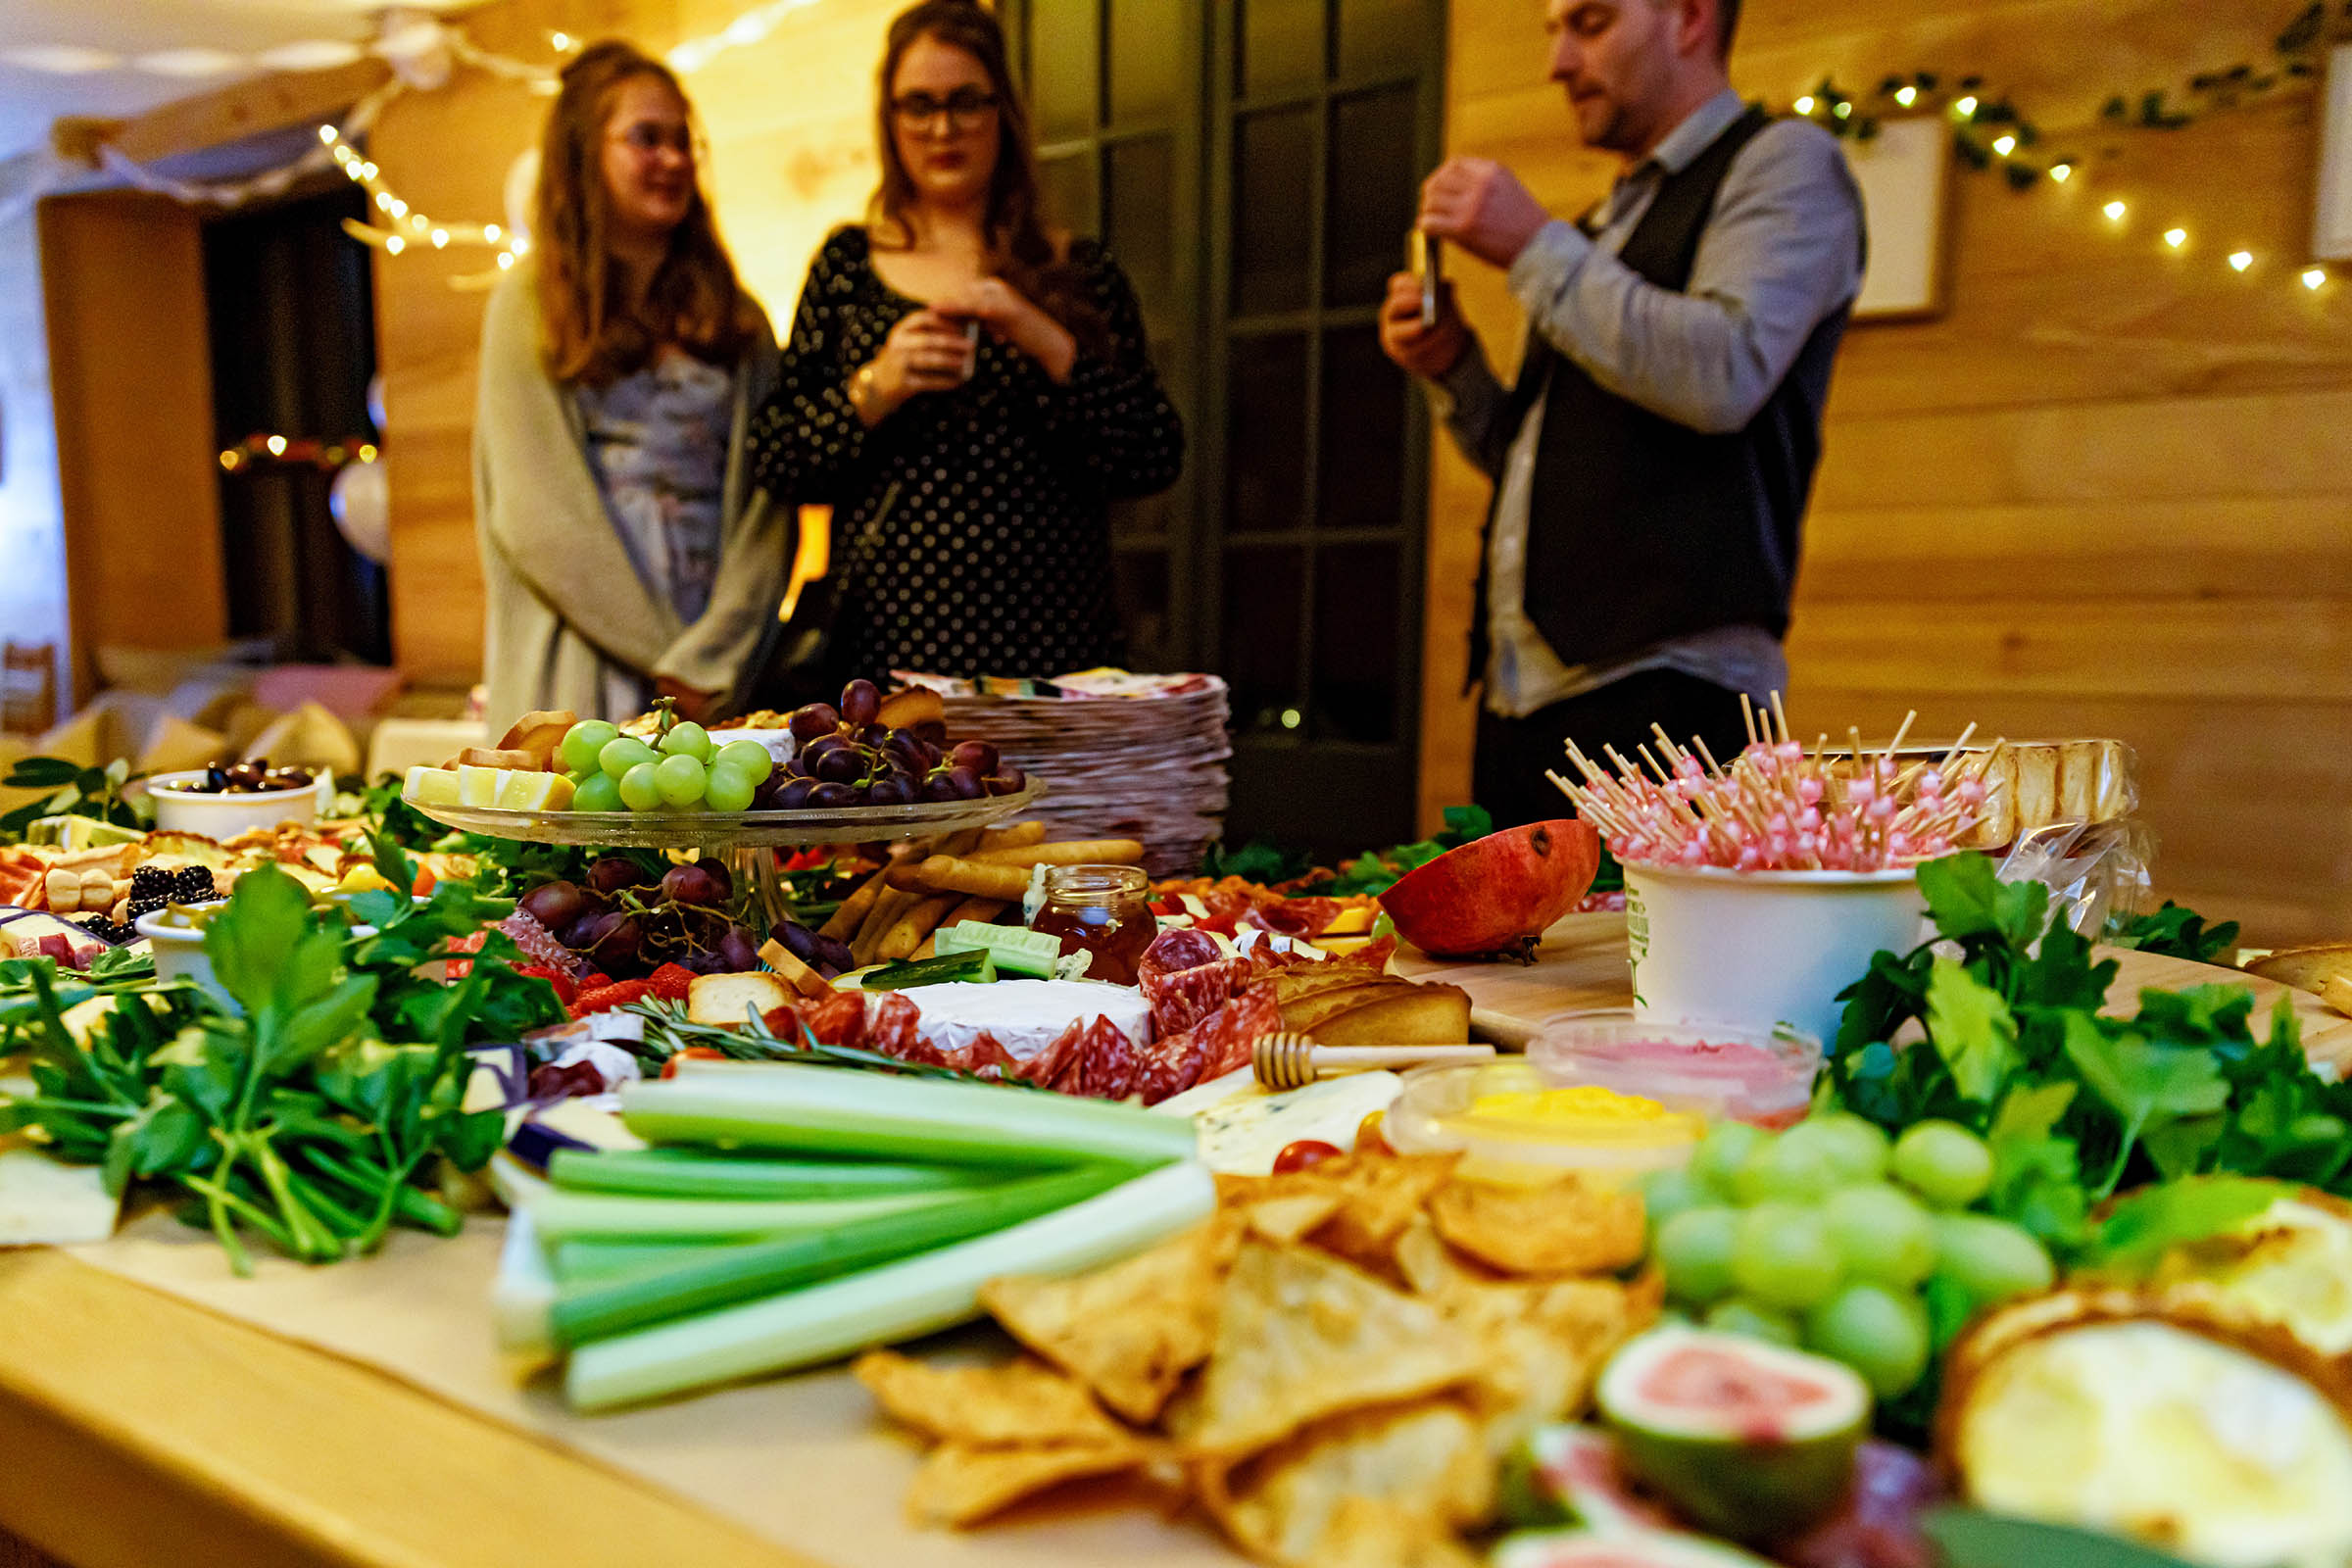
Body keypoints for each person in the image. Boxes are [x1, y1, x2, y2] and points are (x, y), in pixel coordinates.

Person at [1379, 0, 1864, 829]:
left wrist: (1533, 247)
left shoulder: (1784, 164)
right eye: (1554, 31)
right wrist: (1454, 366)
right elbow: (1549, 463)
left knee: (1663, 965)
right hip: (1522, 699)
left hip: (1671, 705)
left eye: (1591, 23)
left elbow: (1726, 372)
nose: (1559, 62)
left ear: (1687, 19)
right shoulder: (1603, 226)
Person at [749, 0, 1182, 680]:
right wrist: (877, 385)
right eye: (916, 105)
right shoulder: (848, 266)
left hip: (1056, 665)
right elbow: (776, 459)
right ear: (890, 121)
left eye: (965, 102)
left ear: (1002, 112)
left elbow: (1154, 455)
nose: (942, 128)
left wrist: (1045, 340)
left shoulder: (1080, 271)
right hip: (883, 668)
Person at [473, 40, 786, 729]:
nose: (673, 161)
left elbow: (769, 508)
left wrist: (710, 662)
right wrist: (665, 663)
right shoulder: (526, 301)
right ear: (587, 152)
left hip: (719, 666)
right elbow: (536, 515)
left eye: (684, 141)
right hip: (580, 659)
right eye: (648, 139)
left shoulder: (741, 318)